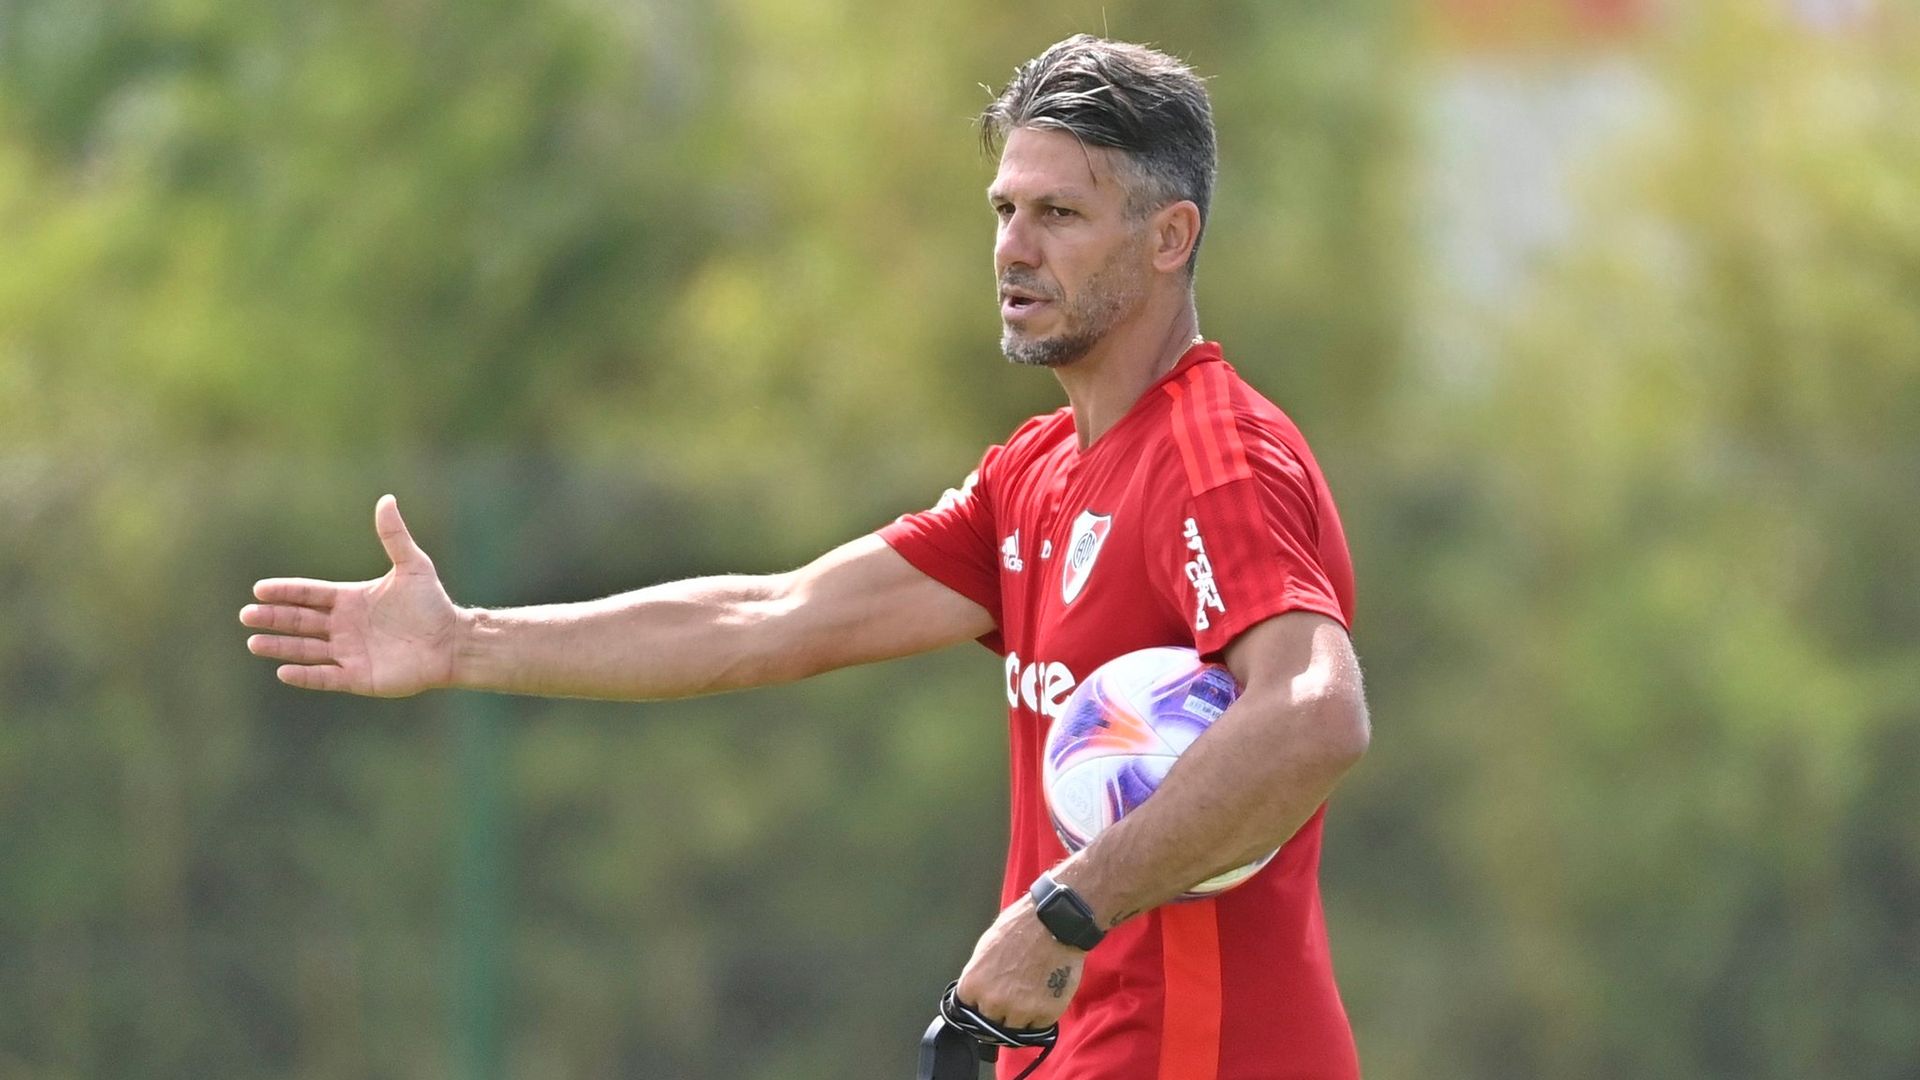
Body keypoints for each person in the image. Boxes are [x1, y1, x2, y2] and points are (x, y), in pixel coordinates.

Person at [241, 35, 1370, 1080]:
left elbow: (1315, 714)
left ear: (1170, 237)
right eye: (1005, 209)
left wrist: (1065, 910)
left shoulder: (1215, 458)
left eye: (1060, 214)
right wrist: (465, 642)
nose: (1014, 248)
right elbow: (770, 615)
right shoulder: (1036, 473)